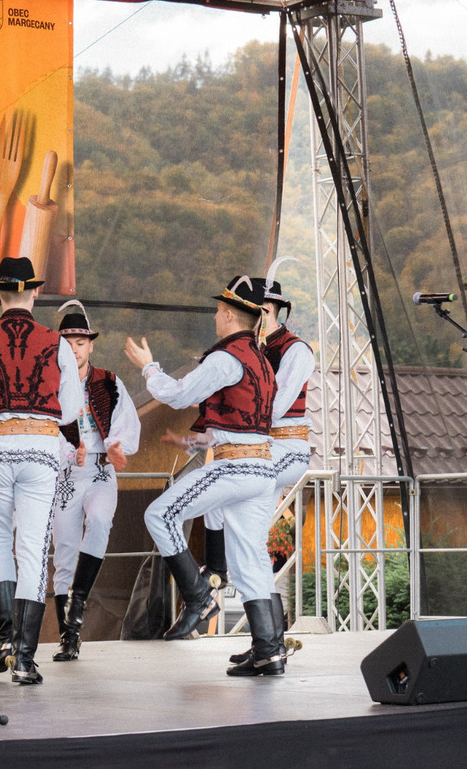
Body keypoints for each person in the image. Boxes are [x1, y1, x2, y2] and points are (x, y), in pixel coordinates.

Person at [124, 276, 283, 677]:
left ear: (229, 314)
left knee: (159, 515)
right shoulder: (261, 360)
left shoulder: (227, 358)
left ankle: (198, 597)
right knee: (250, 559)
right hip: (261, 467)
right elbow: (243, 419)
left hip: (235, 468)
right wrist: (194, 443)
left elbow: (177, 393)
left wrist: (148, 369)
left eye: (218, 310)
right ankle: (269, 649)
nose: (215, 316)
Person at [0, 256, 84, 685]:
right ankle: (25, 660)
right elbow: (70, 409)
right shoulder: (58, 344)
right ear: (36, 292)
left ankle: (5, 639)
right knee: (32, 548)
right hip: (41, 445)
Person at [209, 269, 314, 672]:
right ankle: (267, 643)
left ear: (276, 311)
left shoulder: (296, 350)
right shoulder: (248, 351)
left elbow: (276, 404)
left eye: (264, 311)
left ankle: (267, 641)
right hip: (260, 450)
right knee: (246, 549)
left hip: (286, 448)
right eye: (255, 312)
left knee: (242, 533)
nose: (260, 318)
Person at [50, 301, 141, 662]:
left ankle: (80, 602)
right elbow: (46, 428)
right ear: (58, 346)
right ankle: (68, 635)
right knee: (65, 553)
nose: (74, 348)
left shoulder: (109, 382)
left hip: (101, 470)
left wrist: (117, 447)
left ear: (91, 346)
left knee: (101, 520)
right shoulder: (50, 384)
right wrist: (68, 452)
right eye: (67, 341)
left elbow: (125, 424)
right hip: (67, 473)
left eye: (80, 341)